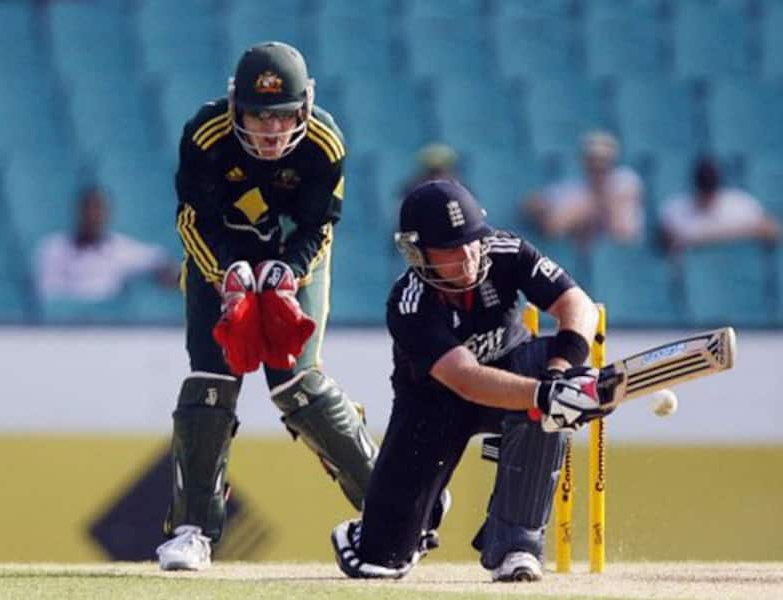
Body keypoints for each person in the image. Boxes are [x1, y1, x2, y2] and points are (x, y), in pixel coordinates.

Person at [155, 41, 380, 571]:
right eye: (258, 115)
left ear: (303, 110)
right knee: (211, 381)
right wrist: (225, 273)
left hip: (292, 261)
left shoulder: (323, 143)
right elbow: (193, 221)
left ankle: (391, 502)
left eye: (282, 117)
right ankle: (192, 531)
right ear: (236, 108)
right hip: (220, 256)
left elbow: (319, 226)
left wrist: (289, 272)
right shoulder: (206, 135)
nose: (270, 130)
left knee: (294, 383)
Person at [331, 179, 614, 582]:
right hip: (434, 403)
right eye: (449, 248)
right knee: (378, 560)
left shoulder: (505, 250)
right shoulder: (408, 305)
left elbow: (578, 304)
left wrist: (560, 373)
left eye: (472, 241)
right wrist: (546, 393)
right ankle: (417, 509)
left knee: (546, 394)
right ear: (417, 252)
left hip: (518, 373)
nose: (466, 256)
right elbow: (464, 379)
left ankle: (516, 545)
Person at [34, 187, 177, 301]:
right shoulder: (53, 248)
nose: (93, 217)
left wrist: (167, 274)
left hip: (109, 328)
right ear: (78, 212)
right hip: (66, 328)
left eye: (98, 211)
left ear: (107, 214)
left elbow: (158, 258)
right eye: (88, 210)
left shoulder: (120, 249)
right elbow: (49, 295)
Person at [522, 130, 644, 244]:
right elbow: (548, 224)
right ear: (583, 161)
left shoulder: (626, 181)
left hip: (610, 257)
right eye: (593, 159)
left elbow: (624, 235)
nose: (598, 165)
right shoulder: (573, 188)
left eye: (604, 159)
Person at [659, 156, 780, 252]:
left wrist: (702, 238)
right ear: (696, 188)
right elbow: (668, 244)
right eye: (703, 190)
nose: (708, 197)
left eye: (711, 190)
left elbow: (773, 229)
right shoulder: (675, 208)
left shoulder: (740, 203)